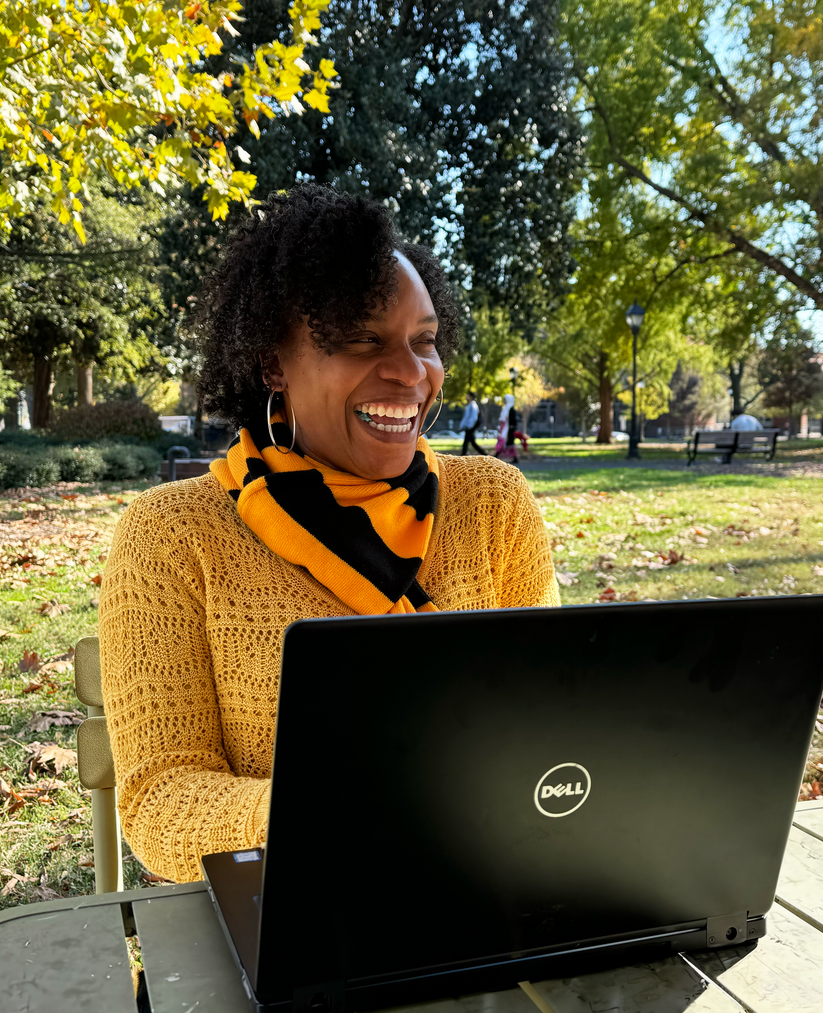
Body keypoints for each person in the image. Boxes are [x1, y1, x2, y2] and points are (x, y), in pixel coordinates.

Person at [97, 186, 559, 882]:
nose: (410, 373)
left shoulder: (494, 504)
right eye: (361, 340)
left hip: (496, 884)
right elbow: (161, 800)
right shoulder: (172, 536)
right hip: (291, 909)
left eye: (424, 342)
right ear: (273, 363)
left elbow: (555, 719)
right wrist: (346, 814)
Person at [458, 390, 484, 454]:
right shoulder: (469, 405)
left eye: (467, 395)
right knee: (471, 442)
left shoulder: (473, 405)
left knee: (468, 442)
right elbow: (466, 417)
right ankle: (484, 454)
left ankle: (463, 455)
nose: (466, 396)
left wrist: (470, 426)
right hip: (469, 426)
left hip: (470, 426)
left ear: (470, 397)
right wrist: (462, 425)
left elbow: (474, 417)